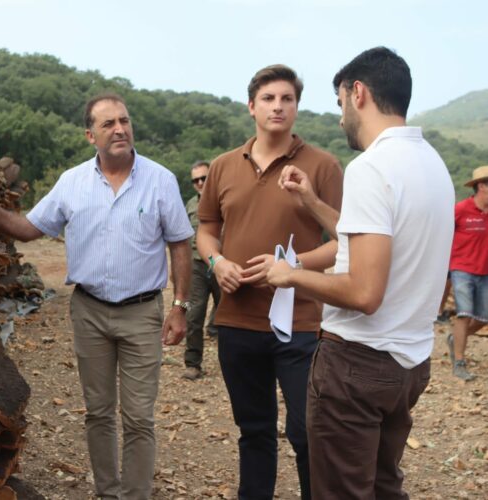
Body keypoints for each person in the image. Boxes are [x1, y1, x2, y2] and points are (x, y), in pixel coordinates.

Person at [0, 93, 194, 499]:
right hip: (89, 311)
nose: (120, 129)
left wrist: (180, 307)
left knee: (140, 417)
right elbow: (28, 229)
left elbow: (180, 244)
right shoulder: (71, 183)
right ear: (89, 134)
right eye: (108, 124)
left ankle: (136, 495)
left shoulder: (160, 180)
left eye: (124, 121)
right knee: (98, 413)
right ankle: (108, 493)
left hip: (142, 311)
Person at [267, 47, 454, 499]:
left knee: (343, 492)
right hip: (407, 363)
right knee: (384, 485)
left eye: (338, 105)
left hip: (358, 365)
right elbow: (375, 242)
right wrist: (312, 203)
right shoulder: (432, 165)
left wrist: (289, 274)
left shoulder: (372, 167)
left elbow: (365, 290)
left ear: (358, 93)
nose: (339, 119)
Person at [196, 64, 343, 500]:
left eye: (287, 99)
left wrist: (294, 266)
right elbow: (205, 229)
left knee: (306, 433)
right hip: (237, 320)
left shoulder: (324, 165)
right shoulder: (223, 166)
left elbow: (345, 241)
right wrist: (217, 261)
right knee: (254, 431)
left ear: (297, 107)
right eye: (268, 99)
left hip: (298, 323)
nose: (278, 106)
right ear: (251, 106)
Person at [447, 165, 488, 380]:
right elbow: (443, 233)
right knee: (464, 314)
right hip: (462, 269)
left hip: (485, 272)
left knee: (483, 317)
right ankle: (460, 363)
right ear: (482, 186)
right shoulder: (461, 210)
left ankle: (455, 339)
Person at [183, 160, 221, 380]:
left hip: (221, 263)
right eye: (195, 180)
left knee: (227, 315)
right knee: (193, 314)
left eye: (203, 178)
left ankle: (233, 363)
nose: (199, 183)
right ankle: (193, 363)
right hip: (196, 264)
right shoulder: (189, 205)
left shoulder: (225, 199)